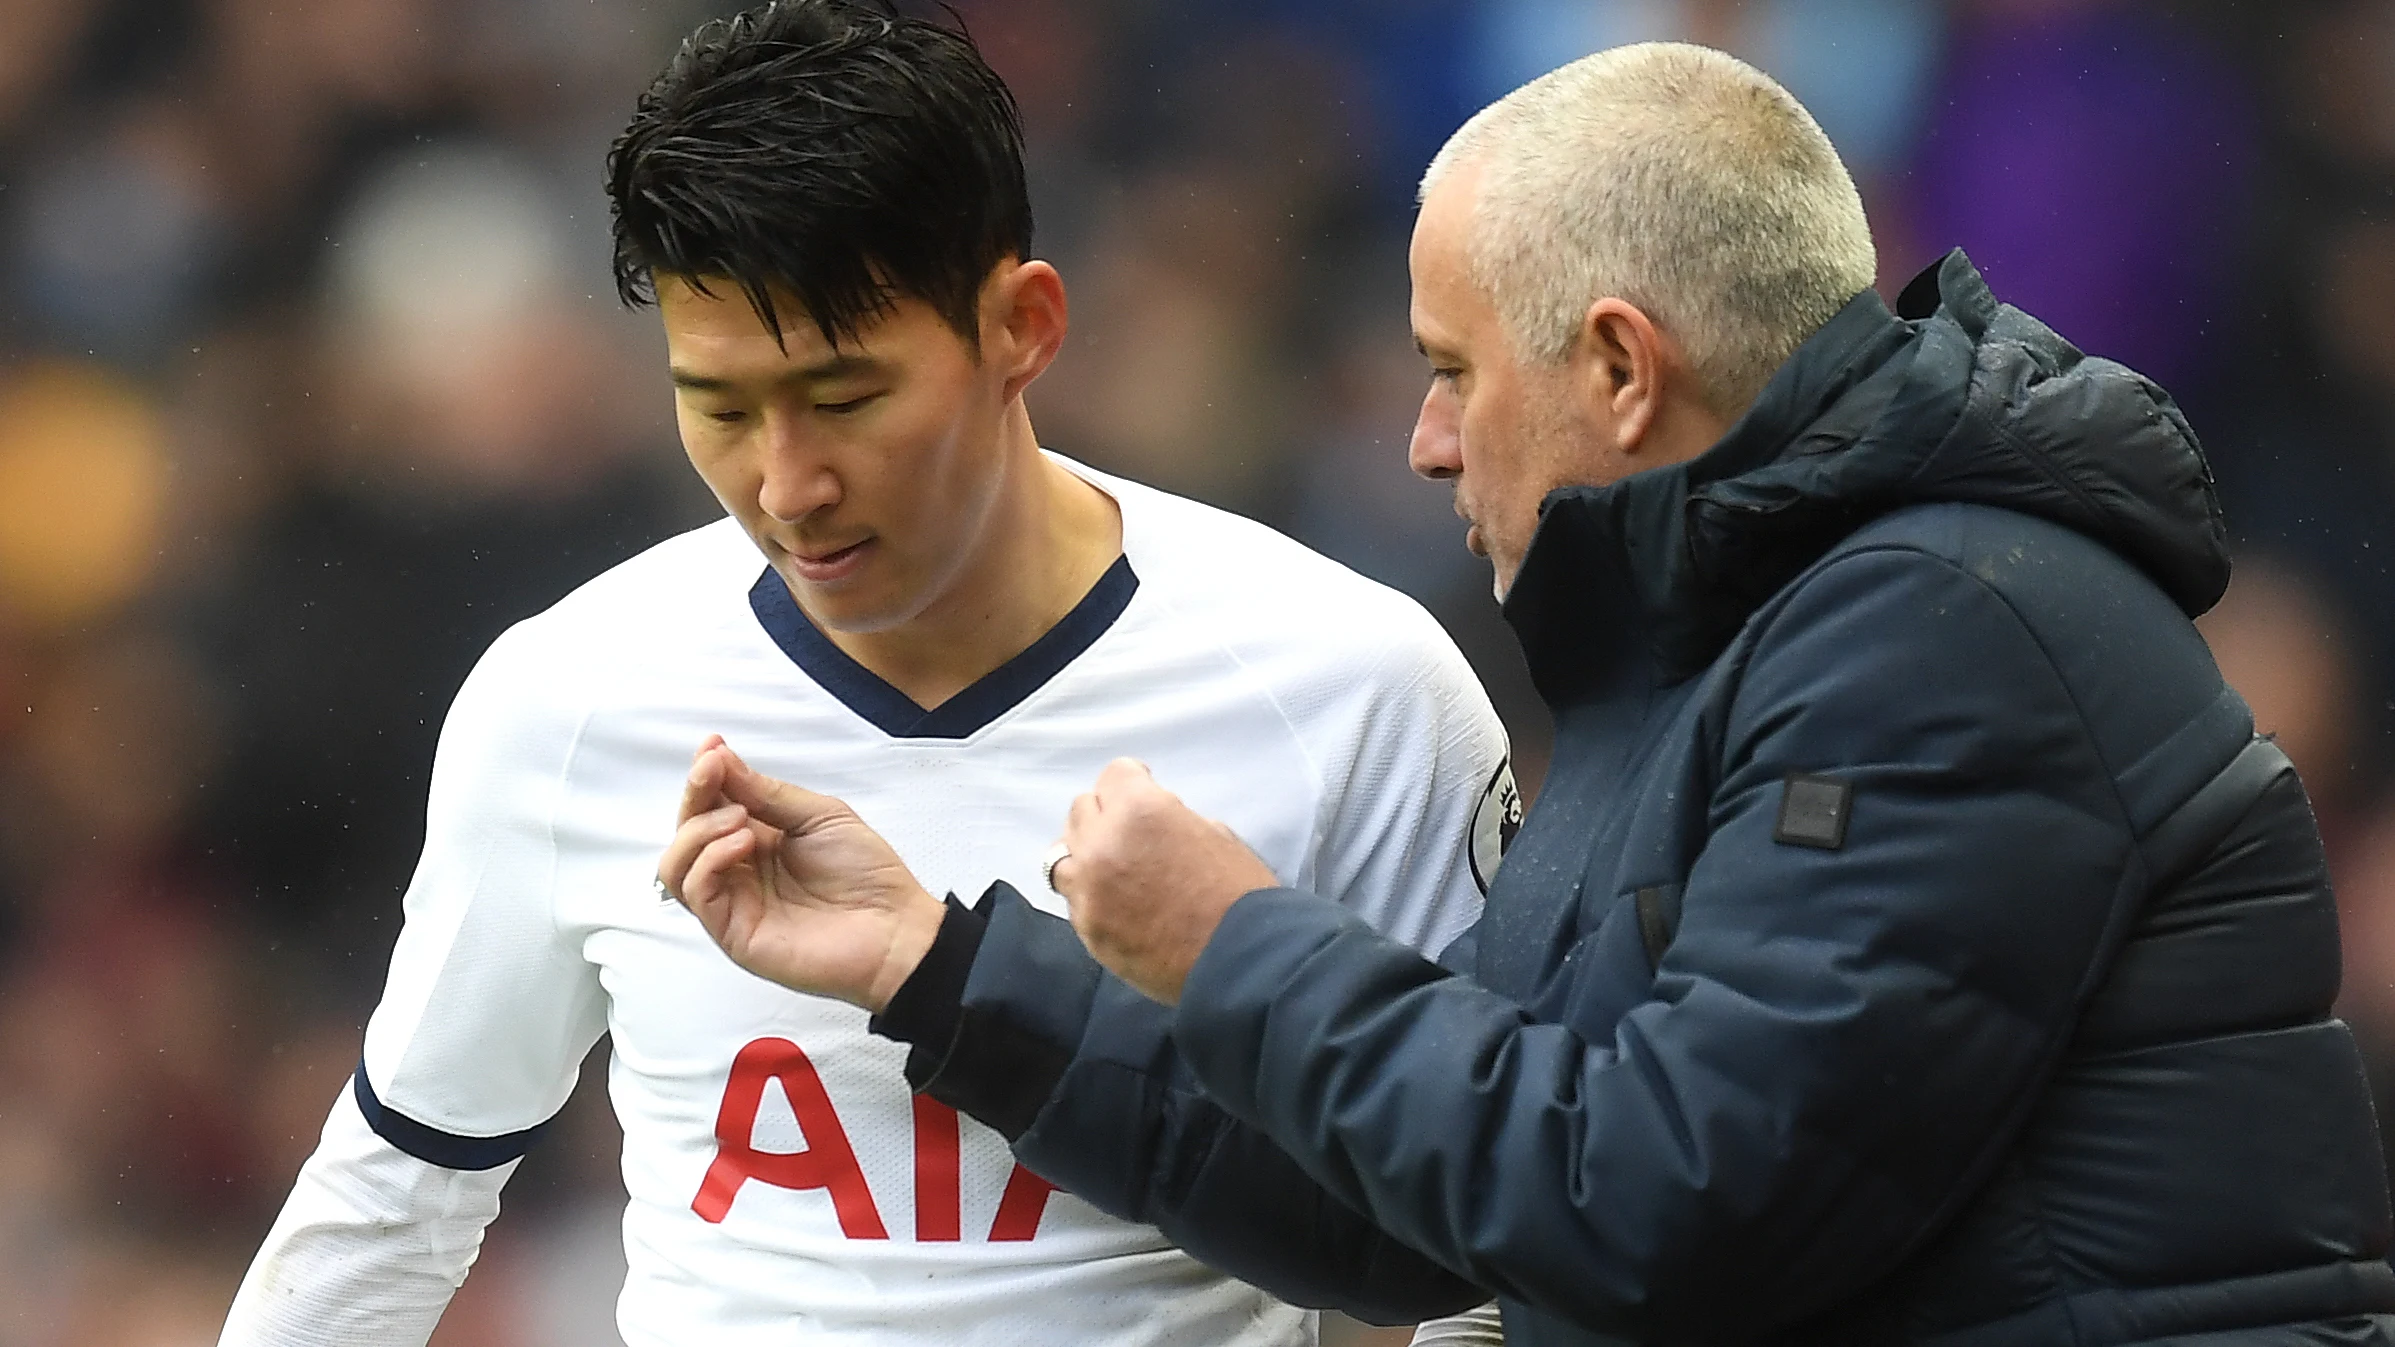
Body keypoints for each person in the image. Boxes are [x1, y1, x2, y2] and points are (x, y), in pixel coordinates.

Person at [661, 42, 2395, 1347]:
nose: (1421, 439)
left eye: (1447, 369)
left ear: (1621, 370)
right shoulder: (1740, 635)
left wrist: (1235, 936)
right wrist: (942, 966)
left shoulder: (1939, 638)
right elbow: (1431, 1214)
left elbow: (1656, 1206)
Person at [215, 3, 1514, 1344]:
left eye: (844, 399)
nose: (786, 486)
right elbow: (401, 1188)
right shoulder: (571, 695)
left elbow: (1497, 1234)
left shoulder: (1350, 689)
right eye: (718, 407)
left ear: (1023, 323)